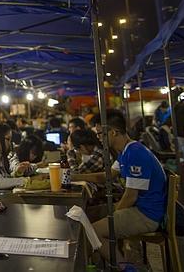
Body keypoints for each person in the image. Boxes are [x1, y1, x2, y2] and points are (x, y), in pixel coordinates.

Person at [74, 110, 166, 265]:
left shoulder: (135, 154)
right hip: (140, 207)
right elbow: (105, 176)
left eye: (100, 134)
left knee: (91, 231)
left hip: (147, 214)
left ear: (113, 132)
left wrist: (110, 217)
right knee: (87, 214)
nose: (98, 138)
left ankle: (125, 268)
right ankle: (96, 262)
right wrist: (73, 177)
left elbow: (131, 197)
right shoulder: (127, 151)